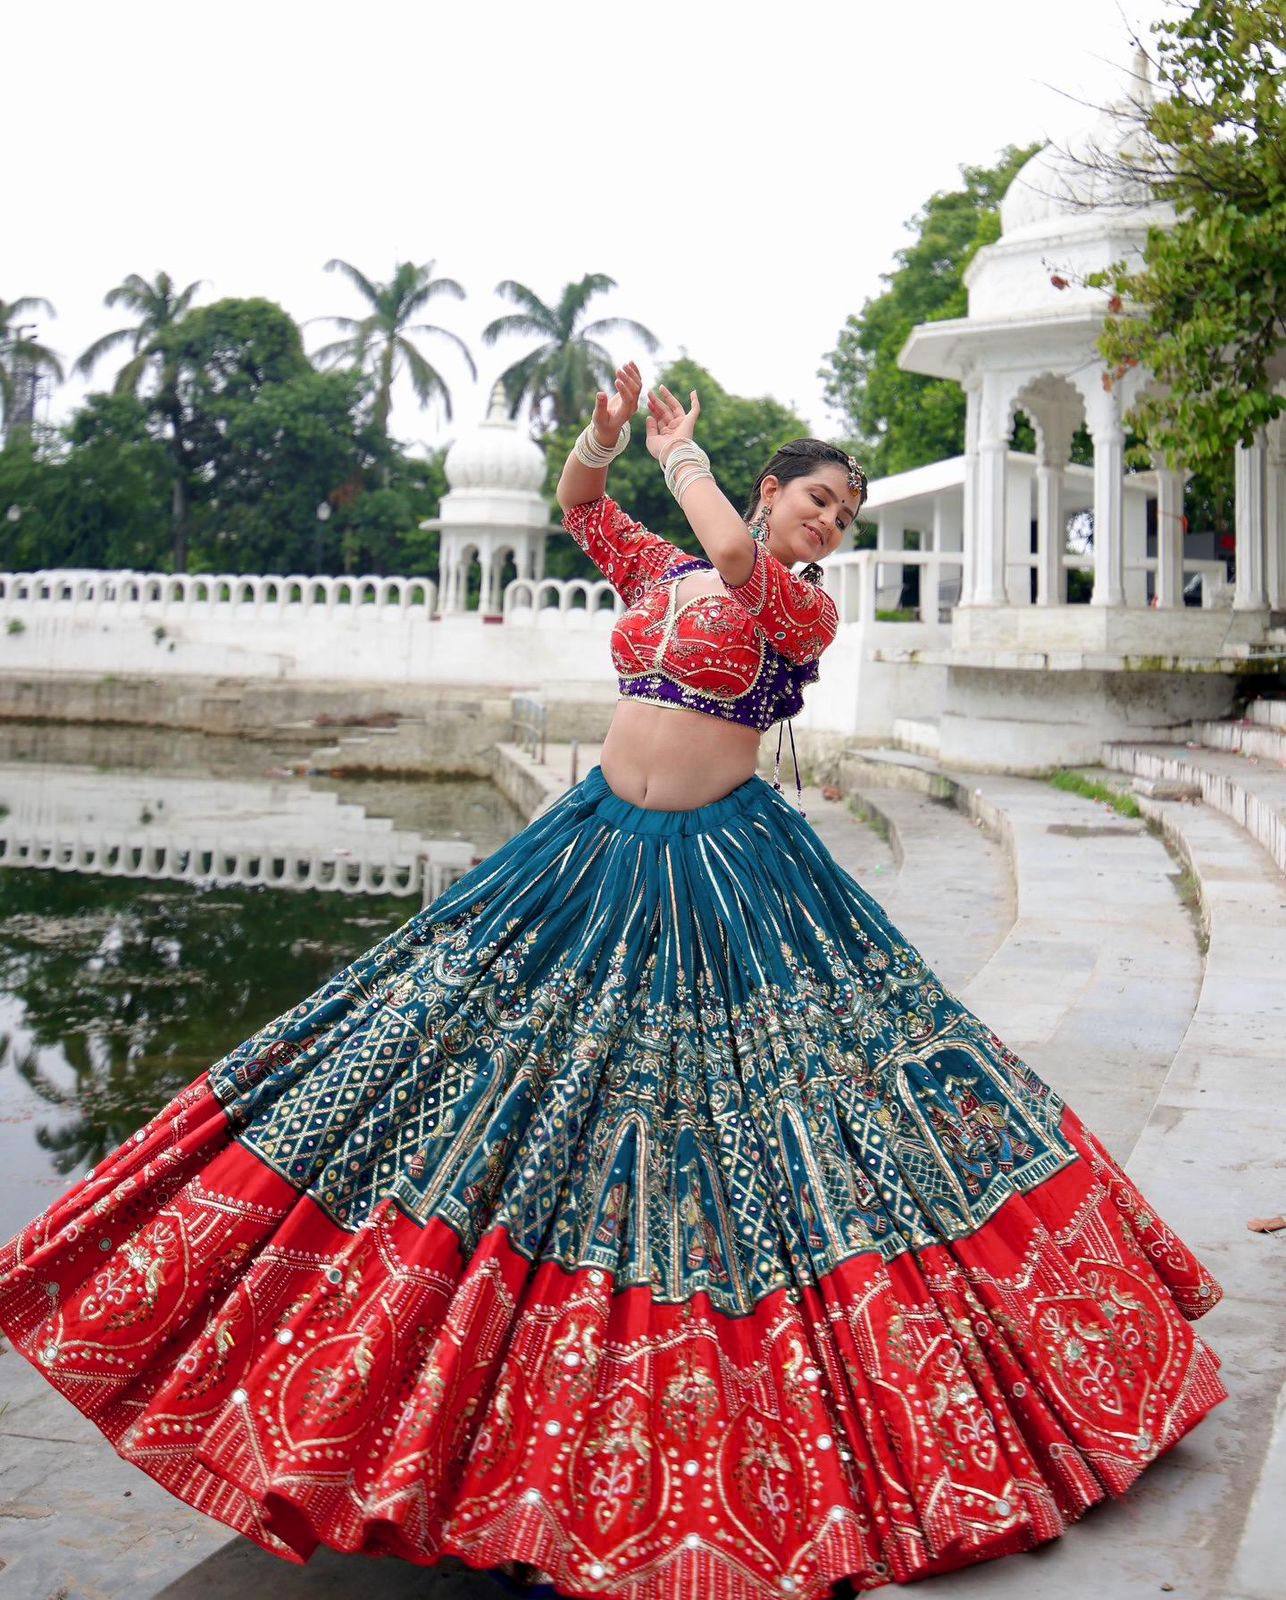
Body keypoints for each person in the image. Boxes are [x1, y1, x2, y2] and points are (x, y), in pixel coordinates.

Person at [0, 361, 1229, 1600]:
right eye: (816, 500)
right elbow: (582, 507)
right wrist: (598, 439)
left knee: (755, 1122)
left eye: (844, 516)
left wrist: (680, 453)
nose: (828, 523)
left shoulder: (794, 609)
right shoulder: (658, 572)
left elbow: (736, 561)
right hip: (588, 852)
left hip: (721, 876)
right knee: (484, 1082)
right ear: (772, 487)